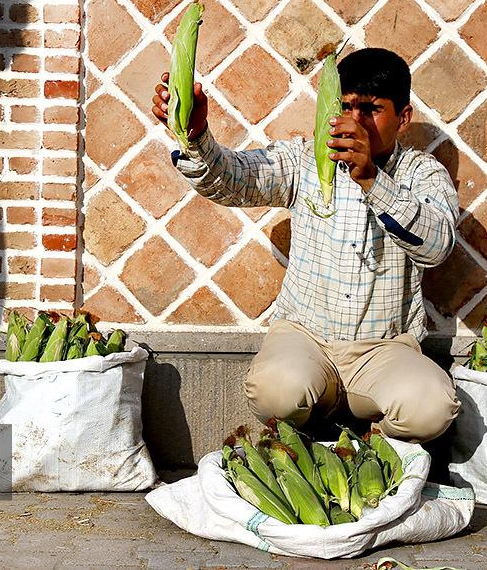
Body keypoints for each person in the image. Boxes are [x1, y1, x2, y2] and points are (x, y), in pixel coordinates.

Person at [151, 47, 461, 443]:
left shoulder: (421, 173)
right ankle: (315, 437)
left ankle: (373, 445)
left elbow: (436, 247)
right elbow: (231, 179)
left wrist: (371, 179)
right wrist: (194, 135)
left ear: (403, 118)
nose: (355, 121)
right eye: (345, 106)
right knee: (276, 391)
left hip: (383, 350)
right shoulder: (304, 161)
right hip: (306, 338)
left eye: (371, 109)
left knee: (431, 407)